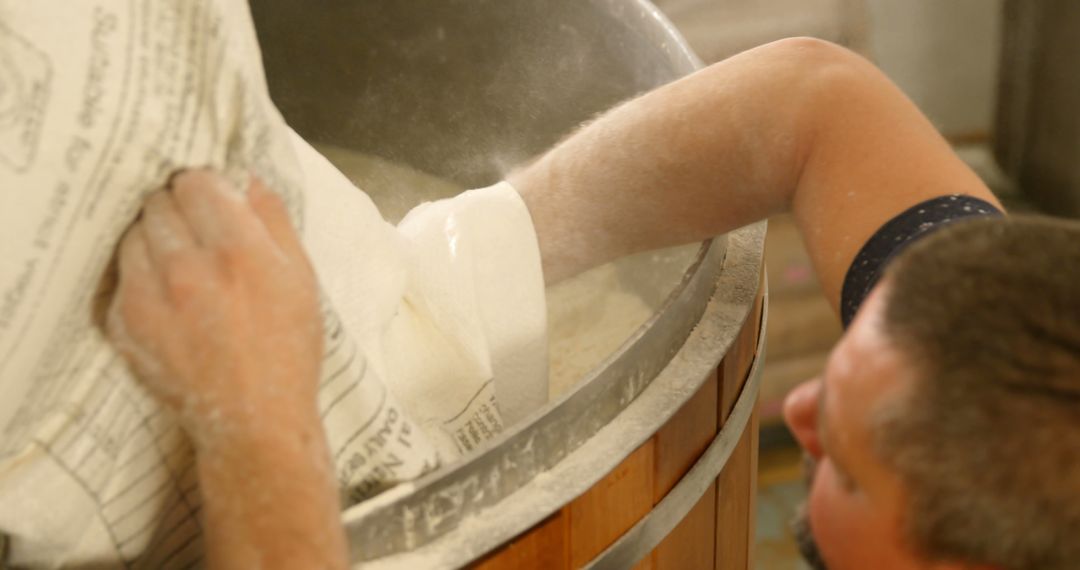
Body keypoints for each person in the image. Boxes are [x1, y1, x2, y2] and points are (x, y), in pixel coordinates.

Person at [107, 37, 1080, 569]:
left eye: (857, 472)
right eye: (844, 367)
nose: (799, 414)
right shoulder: (1027, 357)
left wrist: (256, 417)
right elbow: (812, 100)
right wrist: (464, 262)